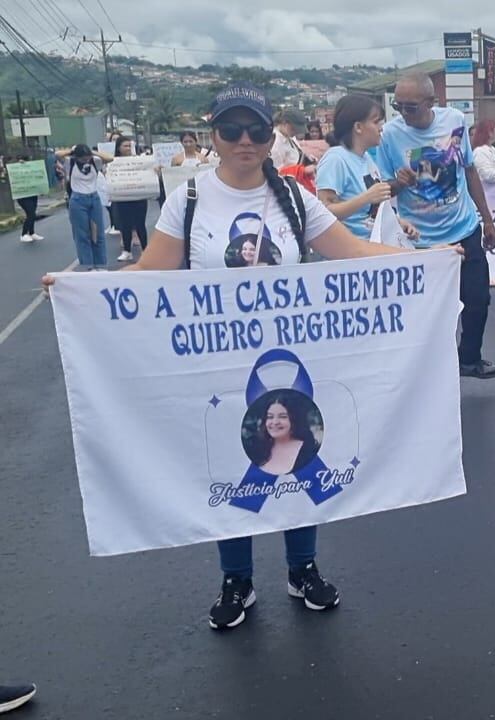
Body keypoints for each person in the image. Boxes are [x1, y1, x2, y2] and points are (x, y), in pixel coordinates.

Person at [45, 82, 419, 631]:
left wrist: (431, 260)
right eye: (232, 129)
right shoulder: (190, 199)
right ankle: (236, 578)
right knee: (231, 462)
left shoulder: (294, 198)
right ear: (214, 134)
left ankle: (302, 568)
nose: (245, 140)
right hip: (218, 365)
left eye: (257, 130)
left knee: (301, 455)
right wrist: (84, 289)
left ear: (271, 137)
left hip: (289, 357)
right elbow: (150, 271)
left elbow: (355, 251)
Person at [377, 70, 495, 379]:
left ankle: (469, 359)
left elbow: (469, 170)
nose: (403, 113)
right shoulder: (390, 135)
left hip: (463, 227)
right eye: (398, 106)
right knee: (428, 312)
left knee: (478, 300)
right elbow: (381, 190)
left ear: (431, 102)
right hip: (421, 240)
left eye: (411, 107)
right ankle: (428, 371)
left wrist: (487, 220)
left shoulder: (454, 121)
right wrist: (399, 183)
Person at [315, 93, 419, 244]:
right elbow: (324, 212)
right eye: (376, 122)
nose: (381, 128)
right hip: (353, 249)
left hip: (375, 244)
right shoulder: (335, 159)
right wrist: (366, 198)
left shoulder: (367, 158)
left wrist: (397, 223)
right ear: (358, 127)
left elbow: (373, 212)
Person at [55, 144, 112, 270]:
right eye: (82, 157)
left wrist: (92, 152)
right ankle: (87, 266)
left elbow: (110, 158)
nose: (85, 160)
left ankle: (101, 265)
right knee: (82, 235)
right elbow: (58, 154)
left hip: (94, 198)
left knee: (98, 234)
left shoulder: (95, 161)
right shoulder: (70, 162)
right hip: (78, 200)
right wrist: (72, 151)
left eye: (87, 157)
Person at [247, 391, 322, 475]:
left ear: (294, 419)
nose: (275, 422)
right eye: (270, 417)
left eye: (282, 417)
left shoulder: (308, 450)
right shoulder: (256, 447)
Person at [111, 135, 155, 261]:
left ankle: (145, 249)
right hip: (123, 196)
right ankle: (127, 251)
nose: (128, 148)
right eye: (125, 146)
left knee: (140, 223)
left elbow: (148, 171)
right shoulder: (113, 162)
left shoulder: (139, 160)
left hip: (139, 196)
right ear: (118, 148)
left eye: (129, 146)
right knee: (125, 224)